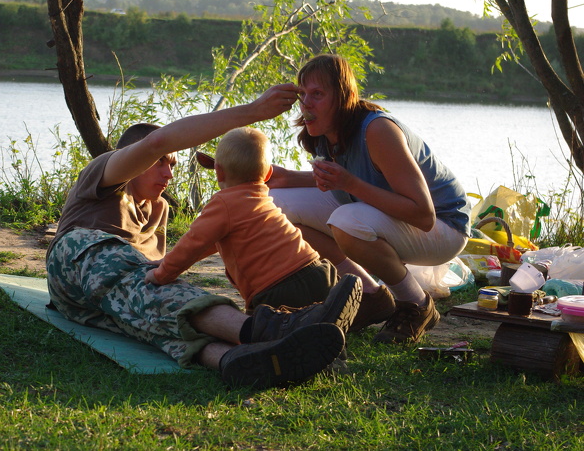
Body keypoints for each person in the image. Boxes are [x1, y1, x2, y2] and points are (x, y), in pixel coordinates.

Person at [45, 90, 362, 389]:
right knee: (150, 287)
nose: (169, 174)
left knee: (157, 321)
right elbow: (157, 141)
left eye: (173, 165)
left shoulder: (159, 209)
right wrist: (253, 112)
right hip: (74, 261)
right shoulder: (104, 176)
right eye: (161, 163)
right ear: (133, 159)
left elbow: (156, 289)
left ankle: (240, 358)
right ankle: (271, 328)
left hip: (92, 307)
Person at [266, 54, 470, 343]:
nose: (306, 104)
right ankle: (371, 295)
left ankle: (415, 304)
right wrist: (284, 177)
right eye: (303, 95)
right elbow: (354, 178)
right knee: (276, 205)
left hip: (444, 228)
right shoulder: (328, 132)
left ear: (344, 97)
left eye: (318, 94)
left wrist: (350, 183)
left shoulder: (377, 130)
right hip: (392, 216)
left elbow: (424, 215)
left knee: (347, 220)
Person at [145, 126, 351, 314]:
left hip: (277, 289)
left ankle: (296, 327)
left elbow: (193, 243)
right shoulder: (264, 199)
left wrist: (162, 274)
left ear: (218, 171)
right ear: (268, 173)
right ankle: (329, 322)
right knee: (312, 325)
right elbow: (209, 243)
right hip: (317, 273)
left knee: (263, 330)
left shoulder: (224, 203)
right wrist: (167, 262)